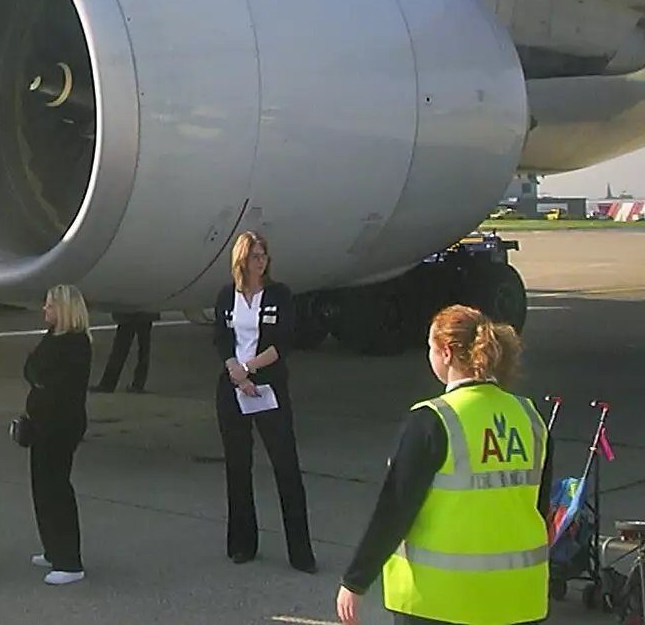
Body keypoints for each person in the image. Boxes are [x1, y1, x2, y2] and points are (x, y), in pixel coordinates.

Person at [335, 305, 551, 625]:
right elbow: (540, 505)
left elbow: (395, 508)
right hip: (520, 597)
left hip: (441, 600)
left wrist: (356, 580)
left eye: (430, 348)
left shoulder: (433, 420)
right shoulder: (530, 417)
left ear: (447, 353)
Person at [214, 231, 317, 573]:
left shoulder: (279, 294)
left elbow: (281, 342)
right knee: (237, 466)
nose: (261, 262)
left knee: (285, 466)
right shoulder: (227, 296)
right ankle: (242, 543)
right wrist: (235, 371)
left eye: (264, 256)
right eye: (255, 256)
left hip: (267, 386)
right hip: (233, 387)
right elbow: (222, 338)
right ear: (241, 261)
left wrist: (249, 369)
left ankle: (300, 552)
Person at [23, 284, 92, 585]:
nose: (45, 310)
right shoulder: (53, 337)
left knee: (56, 488)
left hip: (60, 424)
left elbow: (43, 374)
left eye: (50, 305)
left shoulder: (75, 343)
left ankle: (69, 560)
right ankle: (53, 549)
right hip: (43, 422)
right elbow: (31, 370)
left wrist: (38, 376)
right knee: (41, 486)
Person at [94, 309, 155, 393]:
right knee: (143, 348)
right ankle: (138, 383)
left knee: (120, 348)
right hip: (144, 311)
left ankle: (108, 384)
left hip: (130, 312)